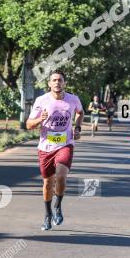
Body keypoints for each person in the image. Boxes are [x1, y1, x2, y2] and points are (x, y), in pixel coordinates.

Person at [26, 71, 84, 231]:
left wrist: (77, 128)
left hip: (65, 144)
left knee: (61, 175)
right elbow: (28, 124)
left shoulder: (73, 99)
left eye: (60, 80)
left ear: (64, 83)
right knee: (47, 183)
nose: (57, 82)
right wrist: (40, 119)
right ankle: (47, 215)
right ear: (49, 84)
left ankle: (57, 206)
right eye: (54, 80)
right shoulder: (41, 100)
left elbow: (80, 112)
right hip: (45, 147)